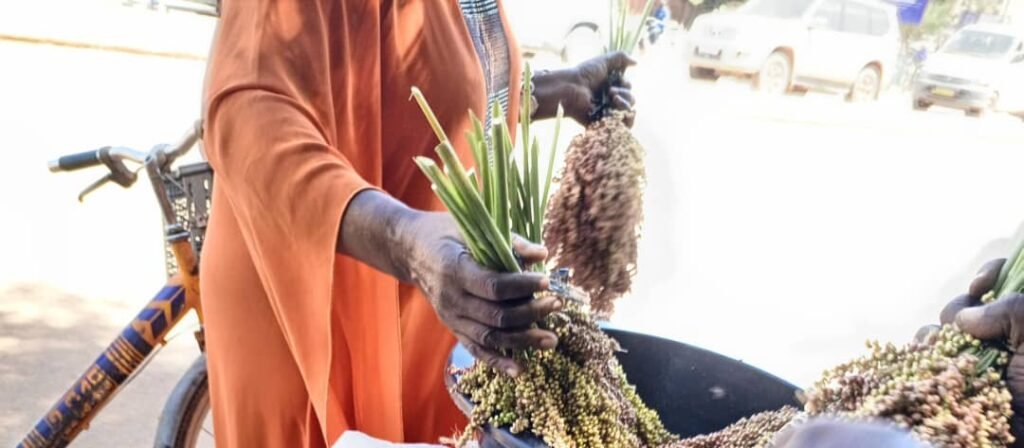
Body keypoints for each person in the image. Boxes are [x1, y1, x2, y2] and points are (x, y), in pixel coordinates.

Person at [200, 1, 636, 447]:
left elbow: (425, 84)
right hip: (309, 307)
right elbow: (247, 113)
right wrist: (402, 241)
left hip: (423, 297)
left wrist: (560, 89)